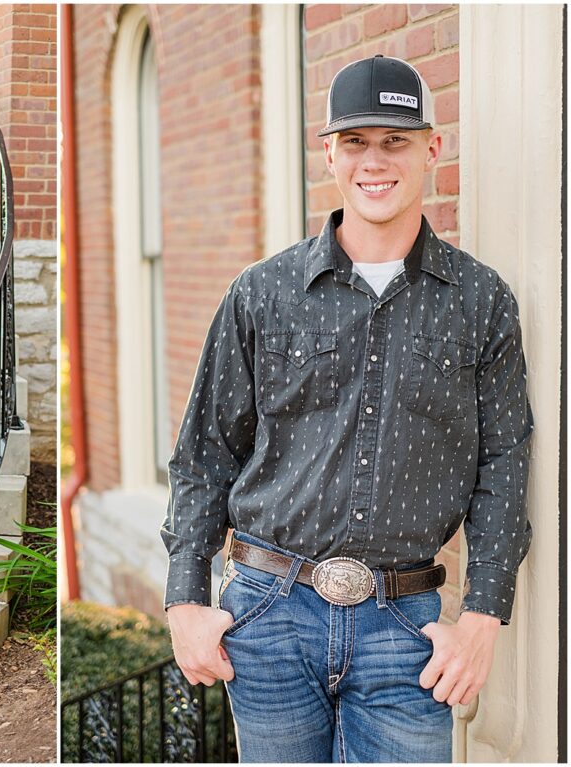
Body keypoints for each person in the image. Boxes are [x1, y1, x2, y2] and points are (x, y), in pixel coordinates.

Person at [161, 55, 532, 762]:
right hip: (268, 616)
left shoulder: (482, 303)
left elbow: (505, 464)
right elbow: (205, 453)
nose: (375, 160)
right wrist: (185, 600)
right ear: (328, 152)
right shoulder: (261, 293)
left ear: (432, 147)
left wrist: (483, 617)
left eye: (395, 140)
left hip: (409, 632)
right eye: (356, 141)